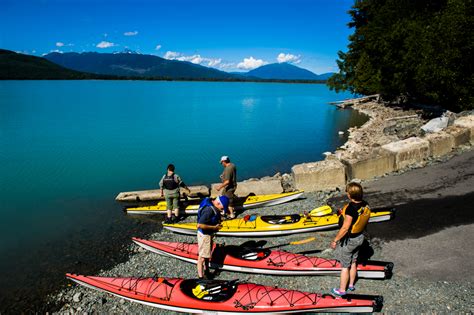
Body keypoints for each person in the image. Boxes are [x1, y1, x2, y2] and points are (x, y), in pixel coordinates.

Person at [330, 182, 371, 296]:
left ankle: (342, 290)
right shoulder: (365, 204)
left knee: (345, 266)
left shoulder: (351, 210)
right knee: (353, 262)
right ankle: (351, 284)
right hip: (360, 237)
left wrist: (335, 240)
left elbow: (345, 228)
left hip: (350, 241)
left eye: (347, 192)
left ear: (350, 195)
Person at [196, 195, 228, 279]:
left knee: (207, 255)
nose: (221, 211)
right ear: (217, 203)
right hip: (204, 235)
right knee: (202, 258)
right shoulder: (209, 210)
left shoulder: (210, 201)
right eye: (221, 208)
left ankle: (207, 272)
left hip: (208, 234)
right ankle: (201, 278)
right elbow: (200, 225)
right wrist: (214, 228)